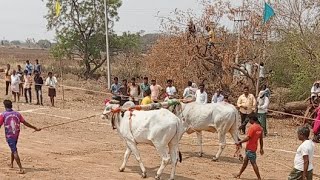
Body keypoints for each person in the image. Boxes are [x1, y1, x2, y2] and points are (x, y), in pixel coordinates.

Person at [0, 100, 41, 174]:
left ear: (5, 106)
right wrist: (35, 128)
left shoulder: (3, 114)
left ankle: (21, 168)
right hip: (16, 134)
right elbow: (25, 123)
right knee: (13, 147)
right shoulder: (17, 114)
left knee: (14, 150)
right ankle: (12, 164)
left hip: (9, 135)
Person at [235, 115, 264, 180]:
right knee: (245, 163)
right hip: (253, 148)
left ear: (252, 120)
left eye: (249, 120)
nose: (249, 122)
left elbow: (248, 138)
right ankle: (239, 174)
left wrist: (240, 142)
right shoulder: (260, 128)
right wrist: (261, 148)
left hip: (250, 149)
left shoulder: (252, 127)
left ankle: (259, 178)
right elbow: (261, 139)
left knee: (253, 163)